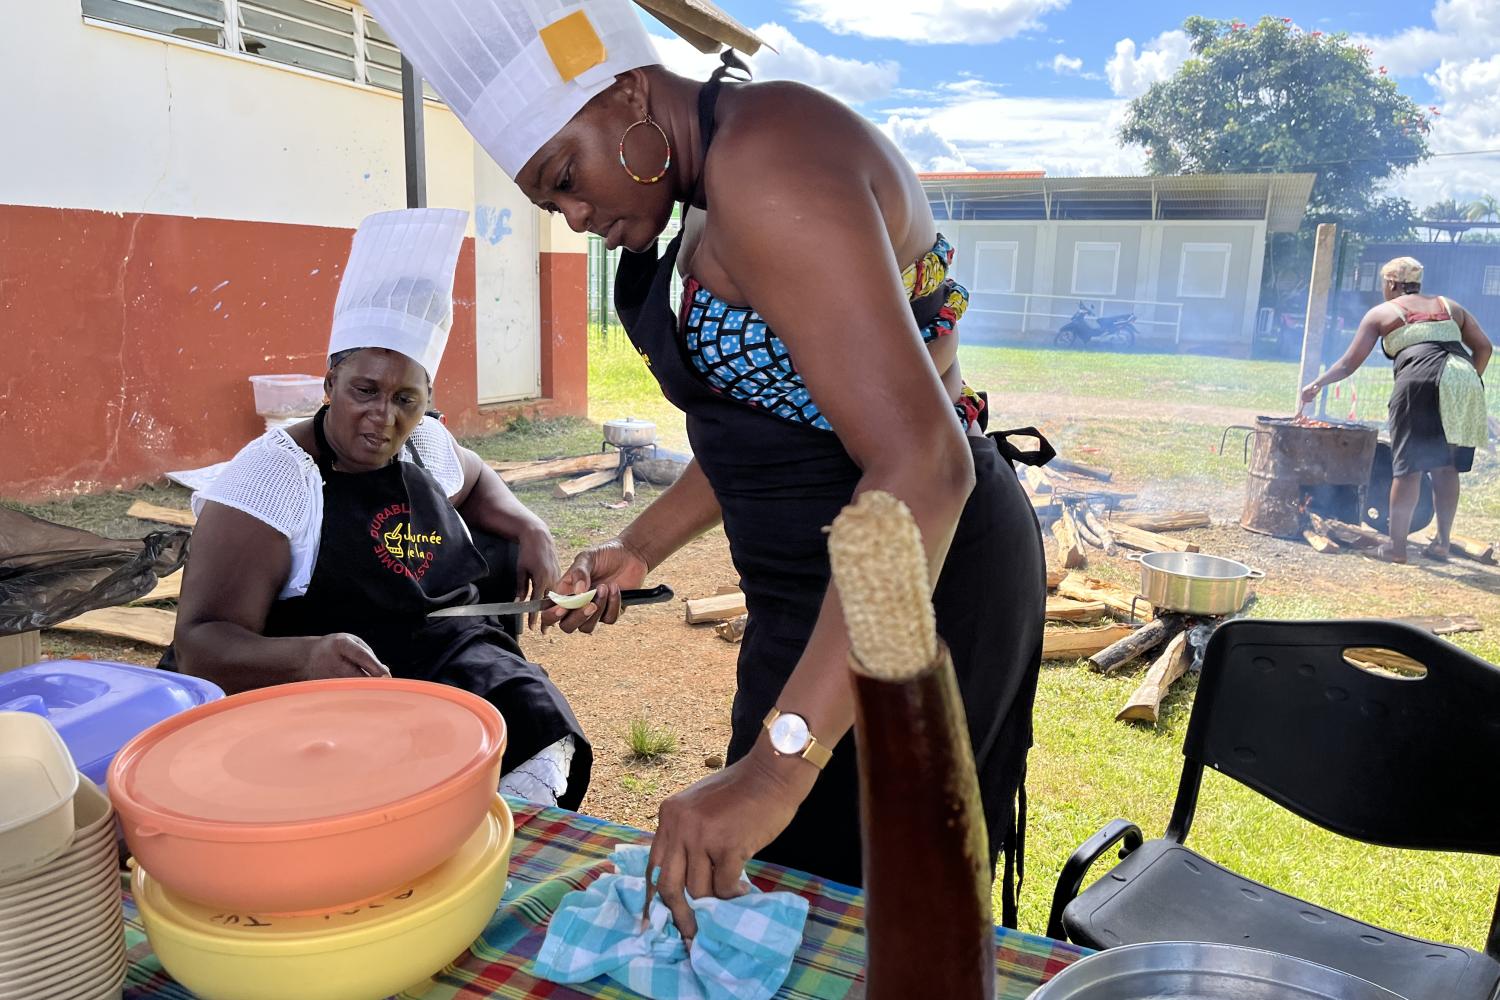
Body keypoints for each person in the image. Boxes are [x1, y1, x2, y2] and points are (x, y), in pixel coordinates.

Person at [366, 0, 1046, 935]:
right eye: (550, 203)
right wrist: (640, 545)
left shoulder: (767, 164)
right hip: (818, 584)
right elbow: (771, 431)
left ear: (631, 95)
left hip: (915, 583)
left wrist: (777, 768)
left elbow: (923, 466)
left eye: (566, 177)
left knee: (862, 906)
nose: (575, 217)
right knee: (781, 891)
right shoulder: (715, 182)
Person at [171, 208, 592, 807]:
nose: (383, 418)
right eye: (363, 391)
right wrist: (305, 658)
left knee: (533, 726)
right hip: (320, 682)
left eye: (406, 400)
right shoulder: (271, 479)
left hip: (434, 652)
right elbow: (199, 641)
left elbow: (475, 479)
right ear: (330, 384)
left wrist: (530, 525)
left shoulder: (425, 445)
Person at [1301, 256, 1491, 563]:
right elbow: (1484, 348)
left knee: (1408, 467)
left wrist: (1317, 384)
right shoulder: (1451, 306)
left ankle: (1397, 548)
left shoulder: (1382, 312)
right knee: (1446, 467)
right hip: (1465, 378)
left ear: (1391, 284)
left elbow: (1349, 363)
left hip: (1419, 382)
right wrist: (1464, 384)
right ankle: (1441, 544)